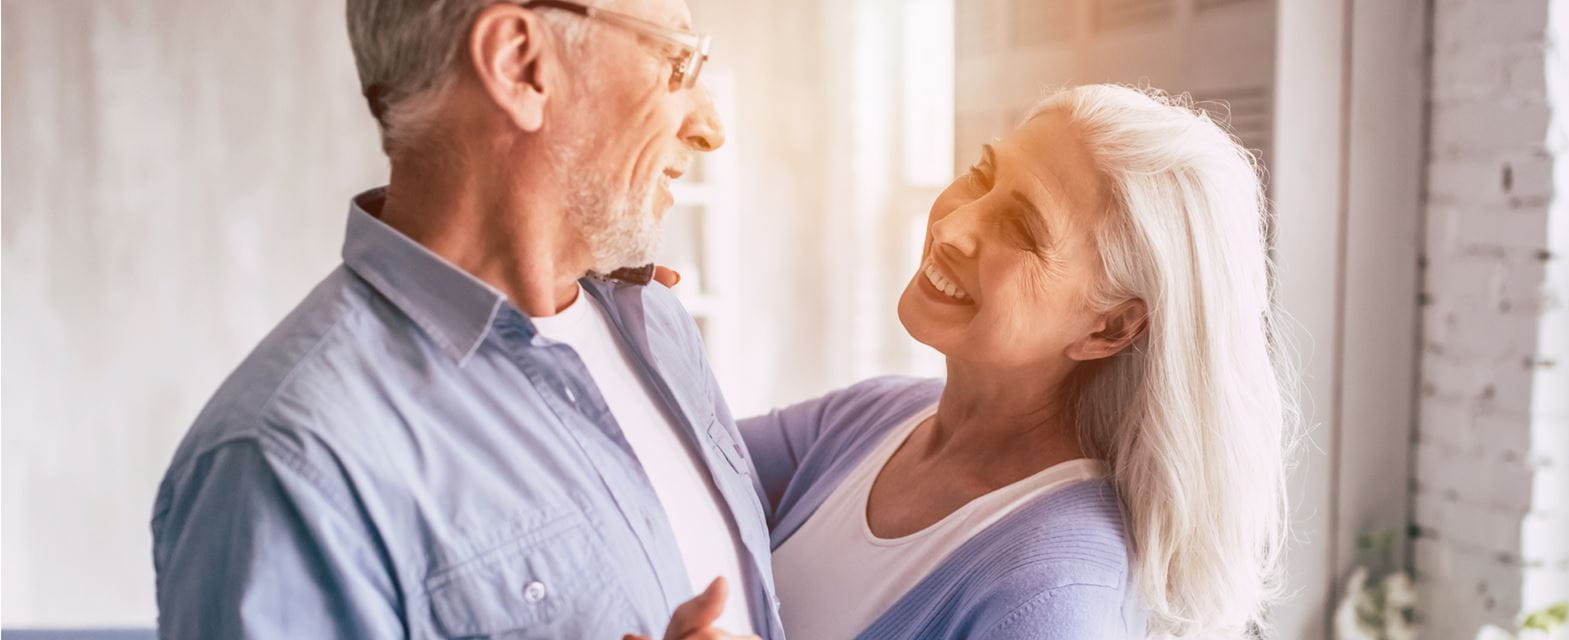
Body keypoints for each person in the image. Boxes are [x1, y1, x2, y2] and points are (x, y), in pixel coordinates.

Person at [149, 1, 770, 638]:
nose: (709, 127)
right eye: (676, 61)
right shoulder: (287, 463)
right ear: (519, 64)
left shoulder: (657, 330)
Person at [742, 84, 1297, 639]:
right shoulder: (875, 415)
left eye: (1023, 229)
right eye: (982, 176)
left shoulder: (1055, 603)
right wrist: (651, 312)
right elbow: (671, 460)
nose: (950, 229)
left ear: (1109, 327)